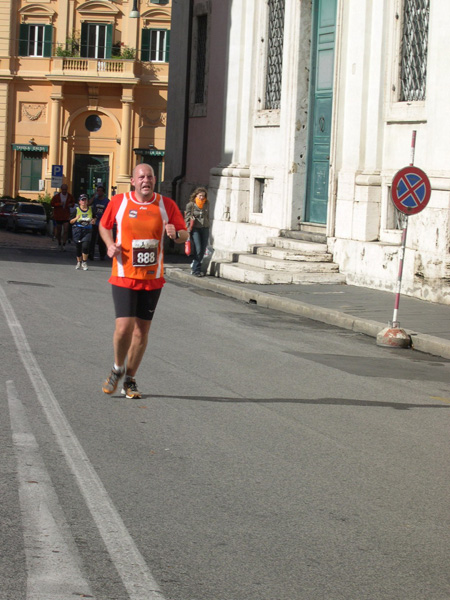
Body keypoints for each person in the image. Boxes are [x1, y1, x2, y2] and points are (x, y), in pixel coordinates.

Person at [99, 163, 188, 399]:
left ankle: (130, 379)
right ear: (133, 181)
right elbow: (104, 225)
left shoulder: (166, 205)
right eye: (141, 177)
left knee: (141, 331)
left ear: (154, 180)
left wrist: (175, 234)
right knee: (124, 327)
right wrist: (110, 245)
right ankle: (118, 368)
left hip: (152, 277)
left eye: (149, 176)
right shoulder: (119, 202)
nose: (145, 180)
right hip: (123, 273)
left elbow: (183, 234)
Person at [184, 187, 210, 276]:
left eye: (203, 196)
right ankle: (196, 270)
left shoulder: (206, 204)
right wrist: (187, 230)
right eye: (200, 196)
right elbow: (187, 218)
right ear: (196, 195)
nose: (202, 197)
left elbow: (208, 216)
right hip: (195, 229)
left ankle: (195, 266)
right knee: (198, 249)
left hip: (205, 228)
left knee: (202, 250)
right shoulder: (190, 205)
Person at [70, 194, 95, 271]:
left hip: (87, 230)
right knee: (78, 247)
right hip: (78, 230)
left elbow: (94, 217)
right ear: (79, 202)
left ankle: (84, 262)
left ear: (87, 201)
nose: (84, 201)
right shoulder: (76, 210)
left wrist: (94, 221)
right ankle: (79, 262)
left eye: (85, 200)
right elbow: (71, 221)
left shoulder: (91, 209)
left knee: (85, 246)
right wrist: (76, 218)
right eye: (82, 200)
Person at [51, 183, 75, 251]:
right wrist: (59, 204)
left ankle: (64, 244)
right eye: (63, 189)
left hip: (66, 215)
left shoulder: (70, 196)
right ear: (61, 189)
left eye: (66, 189)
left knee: (66, 230)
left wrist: (70, 205)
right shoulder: (57, 196)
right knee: (59, 231)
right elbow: (52, 203)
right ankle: (59, 242)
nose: (64, 191)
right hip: (58, 215)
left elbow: (73, 203)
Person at [88, 184, 110, 260]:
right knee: (92, 239)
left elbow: (109, 212)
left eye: (100, 191)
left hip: (102, 223)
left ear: (103, 192)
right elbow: (88, 204)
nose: (99, 192)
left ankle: (102, 255)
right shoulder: (95, 200)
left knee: (101, 240)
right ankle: (91, 254)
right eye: (98, 191)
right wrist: (94, 196)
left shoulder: (106, 201)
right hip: (95, 222)